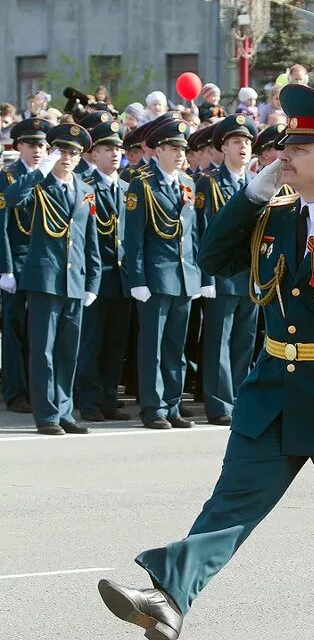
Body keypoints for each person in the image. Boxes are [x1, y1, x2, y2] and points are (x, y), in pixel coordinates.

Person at [98, 84, 314, 640]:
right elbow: (213, 256)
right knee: (230, 506)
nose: (284, 155)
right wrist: (252, 192)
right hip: (273, 390)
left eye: (299, 147)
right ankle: (169, 595)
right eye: (284, 145)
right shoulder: (273, 217)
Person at [4, 123, 101, 435]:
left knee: (68, 350)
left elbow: (90, 240)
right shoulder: (39, 186)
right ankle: (46, 414)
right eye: (62, 151)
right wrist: (39, 170)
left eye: (73, 152)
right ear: (52, 153)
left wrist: (93, 281)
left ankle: (64, 409)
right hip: (45, 278)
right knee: (43, 350)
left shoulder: (85, 189)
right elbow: (12, 197)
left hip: (75, 279)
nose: (68, 157)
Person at [123, 115, 202, 429]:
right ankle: (153, 408)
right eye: (172, 147)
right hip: (155, 278)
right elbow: (134, 238)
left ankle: (172, 404)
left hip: (183, 277)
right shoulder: (141, 184)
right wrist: (138, 279)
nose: (180, 153)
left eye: (182, 148)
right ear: (157, 151)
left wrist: (198, 275)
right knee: (152, 347)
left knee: (175, 347)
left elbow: (191, 236)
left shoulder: (188, 184)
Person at [194, 114, 259, 426]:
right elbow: (203, 232)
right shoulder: (209, 183)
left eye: (247, 142)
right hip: (222, 274)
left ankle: (240, 398)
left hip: (251, 275)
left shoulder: (257, 183)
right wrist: (206, 277)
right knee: (218, 340)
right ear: (223, 147)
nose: (243, 147)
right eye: (236, 142)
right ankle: (219, 403)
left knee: (244, 340)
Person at [76, 119, 132, 422]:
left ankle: (110, 398)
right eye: (107, 148)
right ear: (92, 154)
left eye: (117, 148)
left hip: (122, 279)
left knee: (115, 343)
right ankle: (89, 401)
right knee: (92, 343)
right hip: (96, 278)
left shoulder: (126, 188)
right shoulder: (86, 187)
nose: (114, 153)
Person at [0, 118, 50, 413]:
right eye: (31, 144)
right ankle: (15, 391)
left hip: (43, 263)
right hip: (17, 263)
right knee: (15, 328)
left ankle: (36, 390)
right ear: (18, 146)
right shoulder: (7, 178)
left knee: (38, 332)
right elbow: (3, 225)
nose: (37, 150)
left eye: (42, 145)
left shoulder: (47, 176)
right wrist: (4, 267)